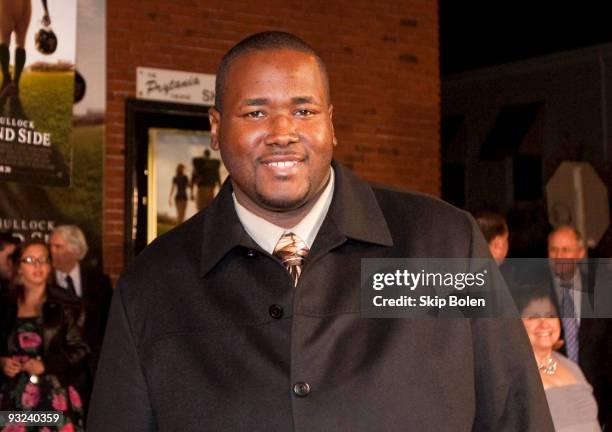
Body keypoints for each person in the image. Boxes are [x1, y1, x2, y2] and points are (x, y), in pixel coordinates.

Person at [88, 31, 553, 431]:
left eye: (304, 110)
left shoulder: (444, 245)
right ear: (215, 128)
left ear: (331, 123)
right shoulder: (153, 286)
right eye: (255, 113)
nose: (283, 132)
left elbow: (516, 414)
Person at [0, 239, 88, 431]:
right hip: (12, 398)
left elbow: (80, 349)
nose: (38, 266)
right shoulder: (5, 305)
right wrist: (2, 362)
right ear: (18, 267)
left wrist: (46, 365)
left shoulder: (67, 304)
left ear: (50, 266)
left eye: (43, 259)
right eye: (30, 260)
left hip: (53, 395)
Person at [546, 225, 612, 427]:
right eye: (553, 250)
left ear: (580, 253)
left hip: (600, 404)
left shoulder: (603, 290)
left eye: (565, 250)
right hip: (553, 404)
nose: (559, 256)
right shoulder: (535, 292)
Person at [49, 225, 113, 410]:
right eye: (51, 246)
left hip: (94, 374)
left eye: (58, 246)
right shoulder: (45, 283)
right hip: (57, 374)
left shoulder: (99, 283)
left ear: (75, 250)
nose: (51, 252)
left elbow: (107, 325)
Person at [519, 289, 601, 431]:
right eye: (533, 317)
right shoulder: (514, 374)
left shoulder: (570, 366)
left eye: (550, 315)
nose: (544, 324)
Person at [0, 0, 50, 97]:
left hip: (8, 4)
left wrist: (46, 11)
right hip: (24, 6)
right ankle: (15, 84)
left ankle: (7, 79)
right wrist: (46, 11)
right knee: (20, 43)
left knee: (5, 41)